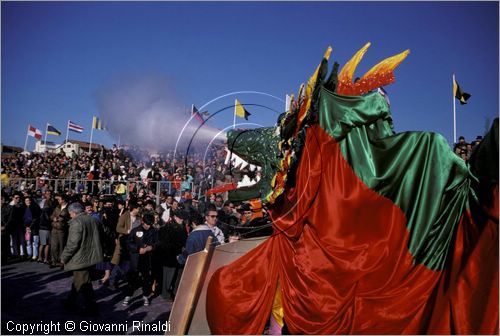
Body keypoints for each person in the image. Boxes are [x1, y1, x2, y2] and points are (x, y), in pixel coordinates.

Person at [60, 202, 103, 316]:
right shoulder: (92, 219)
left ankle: (91, 308)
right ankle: (70, 301)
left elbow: (73, 243)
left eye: (70, 214)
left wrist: (64, 257)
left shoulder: (77, 222)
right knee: (78, 281)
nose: (70, 216)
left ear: (74, 213)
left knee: (84, 285)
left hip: (80, 258)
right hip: (91, 256)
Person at [122, 212, 158, 307]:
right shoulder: (135, 230)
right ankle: (128, 295)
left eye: (150, 225)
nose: (148, 226)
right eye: (147, 224)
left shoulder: (154, 231)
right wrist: (138, 249)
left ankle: (146, 295)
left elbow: (157, 243)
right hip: (136, 258)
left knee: (146, 278)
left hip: (148, 258)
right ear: (142, 222)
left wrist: (151, 247)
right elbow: (128, 243)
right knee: (132, 277)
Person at [156, 209, 188, 301]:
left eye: (182, 218)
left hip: (177, 255)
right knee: (168, 276)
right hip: (170, 256)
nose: (182, 220)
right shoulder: (168, 227)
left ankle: (171, 292)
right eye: (180, 218)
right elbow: (164, 243)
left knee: (174, 276)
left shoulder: (181, 227)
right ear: (174, 217)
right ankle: (165, 294)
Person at [50, 194, 70, 268]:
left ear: (63, 199)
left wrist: (63, 219)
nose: (58, 200)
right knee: (54, 246)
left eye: (59, 199)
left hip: (62, 229)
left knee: (62, 246)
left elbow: (70, 218)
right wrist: (53, 218)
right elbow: (52, 215)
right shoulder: (57, 207)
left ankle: (62, 262)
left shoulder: (68, 208)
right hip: (54, 228)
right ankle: (53, 261)